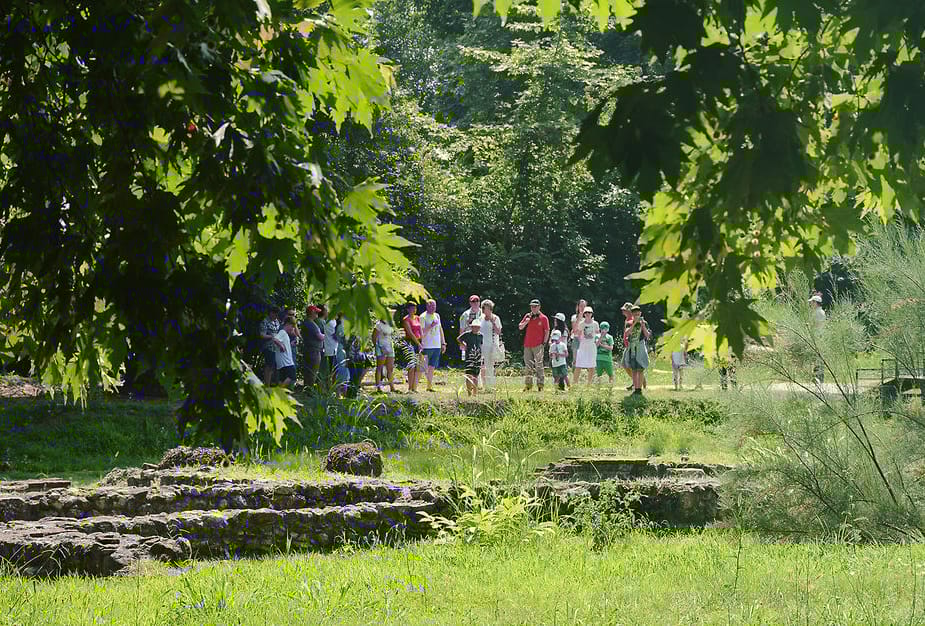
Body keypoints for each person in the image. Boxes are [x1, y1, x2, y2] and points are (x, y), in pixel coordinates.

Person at [518, 299, 550, 391]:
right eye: (532, 306)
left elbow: (547, 331)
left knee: (539, 365)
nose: (533, 308)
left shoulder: (544, 318)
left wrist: (544, 343)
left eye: (535, 306)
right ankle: (528, 385)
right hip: (527, 344)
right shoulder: (527, 316)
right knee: (528, 365)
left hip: (538, 345)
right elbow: (520, 327)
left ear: (539, 307)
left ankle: (540, 385)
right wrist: (526, 322)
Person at [420, 299, 447, 392]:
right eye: (430, 306)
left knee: (432, 366)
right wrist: (431, 325)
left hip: (436, 345)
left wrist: (443, 343)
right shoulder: (423, 317)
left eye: (434, 306)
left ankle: (429, 386)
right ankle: (416, 385)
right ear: (427, 306)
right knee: (424, 367)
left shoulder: (437, 316)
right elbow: (422, 332)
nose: (432, 308)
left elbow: (440, 329)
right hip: (427, 345)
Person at [624, 305, 651, 395]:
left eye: (638, 312)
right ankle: (636, 388)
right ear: (632, 314)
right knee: (634, 369)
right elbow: (627, 333)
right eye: (634, 313)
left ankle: (639, 389)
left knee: (640, 369)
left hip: (640, 347)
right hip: (632, 348)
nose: (637, 314)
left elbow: (647, 336)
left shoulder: (645, 323)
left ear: (640, 313)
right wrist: (634, 323)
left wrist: (643, 326)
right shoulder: (629, 323)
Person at [459, 295, 483, 385]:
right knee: (469, 363)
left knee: (479, 363)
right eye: (473, 301)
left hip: (479, 339)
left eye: (477, 301)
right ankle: (470, 385)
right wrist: (462, 344)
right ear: (470, 303)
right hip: (468, 340)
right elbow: (461, 329)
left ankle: (479, 385)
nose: (475, 303)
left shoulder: (483, 313)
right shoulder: (465, 314)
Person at [480, 299, 502, 392]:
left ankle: (490, 386)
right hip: (481, 344)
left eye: (488, 309)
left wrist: (493, 322)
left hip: (491, 345)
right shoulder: (480, 318)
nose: (486, 311)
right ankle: (481, 385)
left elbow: (498, 331)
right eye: (485, 308)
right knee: (480, 365)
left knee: (489, 365)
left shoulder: (496, 318)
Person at [372, 312, 398, 393]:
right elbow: (374, 338)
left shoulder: (391, 323)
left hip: (390, 347)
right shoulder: (378, 325)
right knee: (379, 367)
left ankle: (392, 387)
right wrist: (379, 348)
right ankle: (379, 388)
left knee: (390, 368)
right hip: (381, 348)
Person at [300, 305, 325, 389]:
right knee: (312, 371)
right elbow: (319, 336)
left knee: (308, 371)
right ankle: (309, 390)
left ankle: (307, 389)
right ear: (311, 313)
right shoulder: (310, 324)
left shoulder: (306, 322)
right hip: (313, 351)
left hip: (310, 349)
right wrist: (327, 335)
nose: (318, 313)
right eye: (316, 312)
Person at [457, 319, 483, 396]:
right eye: (474, 327)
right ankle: (469, 393)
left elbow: (480, 345)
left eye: (477, 327)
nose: (476, 328)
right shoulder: (467, 334)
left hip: (478, 356)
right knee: (469, 375)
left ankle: (475, 393)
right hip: (469, 356)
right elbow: (458, 338)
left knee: (476, 375)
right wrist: (463, 344)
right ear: (472, 327)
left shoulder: (480, 335)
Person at [574, 306, 599, 385]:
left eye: (589, 312)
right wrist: (581, 339)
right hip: (583, 346)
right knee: (578, 365)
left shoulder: (595, 323)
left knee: (592, 366)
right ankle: (575, 383)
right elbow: (577, 333)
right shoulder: (581, 323)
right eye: (586, 313)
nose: (588, 314)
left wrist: (597, 342)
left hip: (592, 347)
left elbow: (597, 334)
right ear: (584, 314)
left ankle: (589, 384)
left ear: (592, 314)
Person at [402, 302, 424, 393]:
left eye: (415, 308)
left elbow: (421, 330)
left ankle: (415, 387)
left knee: (419, 365)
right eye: (412, 308)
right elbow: (410, 333)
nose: (414, 310)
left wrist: (422, 341)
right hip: (411, 343)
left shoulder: (418, 318)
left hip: (419, 341)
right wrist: (418, 343)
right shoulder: (406, 319)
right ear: (408, 309)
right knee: (411, 365)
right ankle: (410, 388)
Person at [258, 305, 283, 385]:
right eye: (275, 314)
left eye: (277, 314)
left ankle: (272, 382)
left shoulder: (277, 321)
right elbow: (262, 335)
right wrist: (272, 336)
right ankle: (267, 384)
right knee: (269, 366)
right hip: (269, 347)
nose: (276, 316)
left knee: (274, 366)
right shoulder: (265, 321)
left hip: (276, 347)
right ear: (271, 313)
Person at [273, 316, 298, 388]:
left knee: (282, 378)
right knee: (292, 376)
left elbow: (283, 343)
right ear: (287, 324)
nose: (293, 329)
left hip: (284, 361)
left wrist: (290, 344)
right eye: (292, 326)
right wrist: (281, 345)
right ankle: (280, 391)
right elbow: (275, 339)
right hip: (286, 361)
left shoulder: (285, 334)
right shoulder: (282, 332)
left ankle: (278, 395)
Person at [810, 293, 826, 383]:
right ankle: (817, 377)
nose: (811, 304)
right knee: (817, 357)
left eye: (812, 302)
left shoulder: (819, 312)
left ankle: (818, 377)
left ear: (816, 303)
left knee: (818, 358)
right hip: (818, 336)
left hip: (818, 337)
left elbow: (817, 325)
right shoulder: (819, 312)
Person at [595, 321, 616, 385]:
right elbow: (596, 345)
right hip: (598, 358)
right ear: (600, 329)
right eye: (603, 328)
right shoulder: (597, 336)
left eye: (606, 329)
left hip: (607, 358)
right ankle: (598, 388)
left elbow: (611, 348)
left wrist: (603, 345)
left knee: (610, 374)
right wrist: (601, 336)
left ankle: (610, 387)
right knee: (599, 374)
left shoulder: (610, 337)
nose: (604, 330)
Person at [570, 299, 587, 373]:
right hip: (576, 339)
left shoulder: (589, 317)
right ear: (578, 307)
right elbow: (574, 330)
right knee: (575, 359)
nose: (582, 308)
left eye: (584, 306)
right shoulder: (574, 317)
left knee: (586, 358)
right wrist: (579, 318)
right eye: (581, 306)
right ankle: (574, 375)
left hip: (585, 340)